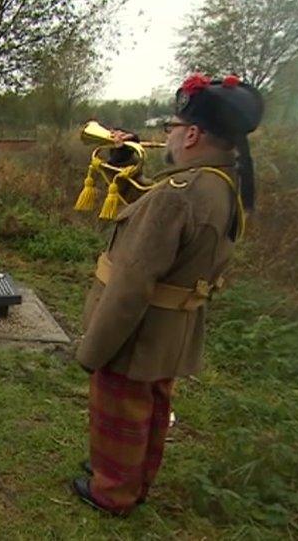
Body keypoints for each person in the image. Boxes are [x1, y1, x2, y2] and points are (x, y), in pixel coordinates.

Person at [71, 74, 263, 517]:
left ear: (193, 134)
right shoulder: (218, 182)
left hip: (138, 327)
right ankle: (131, 479)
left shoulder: (181, 194)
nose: (168, 137)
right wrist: (126, 153)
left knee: (119, 407)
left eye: (172, 128)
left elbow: (132, 283)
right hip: (170, 328)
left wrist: (92, 348)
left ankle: (111, 492)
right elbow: (155, 196)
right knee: (150, 408)